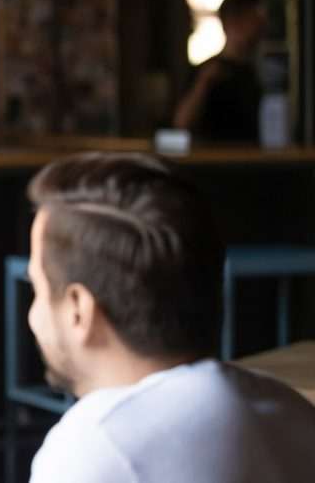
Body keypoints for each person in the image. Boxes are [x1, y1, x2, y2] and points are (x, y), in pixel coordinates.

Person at [25, 152, 315, 483]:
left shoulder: (96, 448)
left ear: (79, 309)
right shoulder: (294, 414)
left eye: (37, 289)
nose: (32, 316)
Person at [173, 0, 267, 142]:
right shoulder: (208, 71)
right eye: (254, 20)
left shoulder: (257, 73)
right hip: (216, 160)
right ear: (233, 23)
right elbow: (181, 123)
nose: (260, 28)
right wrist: (204, 83)